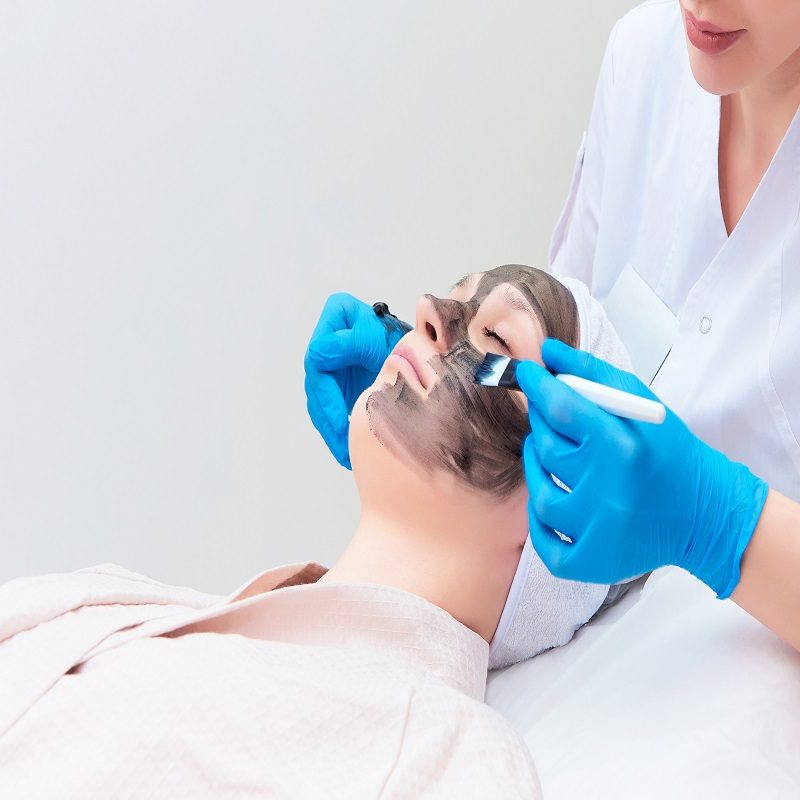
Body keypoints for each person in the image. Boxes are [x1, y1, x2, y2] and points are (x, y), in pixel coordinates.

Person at [0, 265, 629, 798]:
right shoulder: (106, 600)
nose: (429, 312)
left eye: (494, 334)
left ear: (559, 500)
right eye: (455, 296)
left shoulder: (448, 761)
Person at [304, 0, 800, 656]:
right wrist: (432, 400)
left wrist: (720, 523)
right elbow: (570, 342)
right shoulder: (647, 57)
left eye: (491, 341)